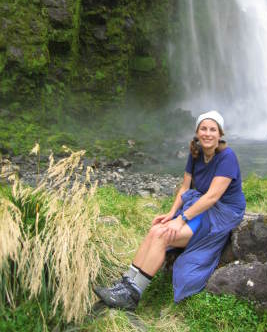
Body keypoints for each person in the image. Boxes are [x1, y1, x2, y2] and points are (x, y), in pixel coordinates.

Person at [94, 110, 246, 310]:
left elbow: (212, 196)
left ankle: (132, 295)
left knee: (164, 235)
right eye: (203, 129)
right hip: (201, 206)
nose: (208, 133)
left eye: (212, 129)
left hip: (223, 212)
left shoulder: (227, 157)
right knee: (156, 229)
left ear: (220, 135)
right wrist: (171, 214)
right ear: (197, 132)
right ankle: (124, 285)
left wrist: (181, 218)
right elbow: (184, 188)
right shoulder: (196, 152)